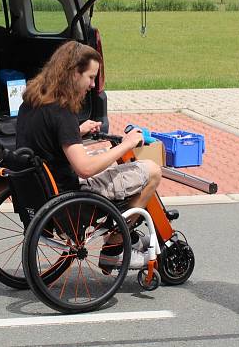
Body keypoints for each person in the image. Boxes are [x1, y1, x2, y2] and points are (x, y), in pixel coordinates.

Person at [15, 40, 163, 269]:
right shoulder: (61, 112)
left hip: (42, 189)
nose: (93, 85)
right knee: (152, 171)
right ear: (74, 73)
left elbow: (44, 140)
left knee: (103, 152)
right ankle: (114, 247)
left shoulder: (32, 100)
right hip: (70, 196)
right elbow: (84, 168)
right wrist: (126, 144)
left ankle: (124, 233)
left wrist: (77, 131)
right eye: (91, 77)